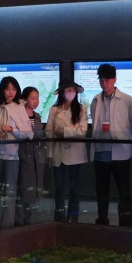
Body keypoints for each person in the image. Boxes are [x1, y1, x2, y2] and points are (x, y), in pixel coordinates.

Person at [89, 63, 132, 226]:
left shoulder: (126, 100)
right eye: (101, 80)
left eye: (107, 80)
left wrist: (124, 138)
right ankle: (102, 221)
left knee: (124, 190)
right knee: (101, 190)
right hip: (101, 152)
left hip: (121, 152)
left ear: (114, 80)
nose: (104, 83)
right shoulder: (95, 100)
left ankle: (126, 224)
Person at [0, 76, 32, 231]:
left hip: (11, 156)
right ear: (2, 89)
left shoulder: (19, 108)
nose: (11, 92)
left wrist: (12, 129)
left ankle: (6, 229)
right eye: (7, 88)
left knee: (8, 193)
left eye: (14, 89)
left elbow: (28, 134)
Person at [46, 81, 88, 222]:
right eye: (68, 90)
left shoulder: (81, 109)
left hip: (75, 154)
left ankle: (73, 218)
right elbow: (49, 132)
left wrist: (63, 131)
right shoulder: (54, 109)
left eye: (73, 90)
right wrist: (49, 154)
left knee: (74, 188)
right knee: (59, 188)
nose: (71, 93)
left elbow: (82, 131)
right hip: (58, 154)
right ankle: (59, 218)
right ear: (62, 92)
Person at [15, 86, 48, 226]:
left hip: (36, 157)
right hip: (23, 156)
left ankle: (27, 221)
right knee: (22, 190)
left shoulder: (38, 117)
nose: (36, 101)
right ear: (24, 99)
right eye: (32, 98)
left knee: (31, 190)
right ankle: (19, 222)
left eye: (37, 98)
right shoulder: (19, 116)